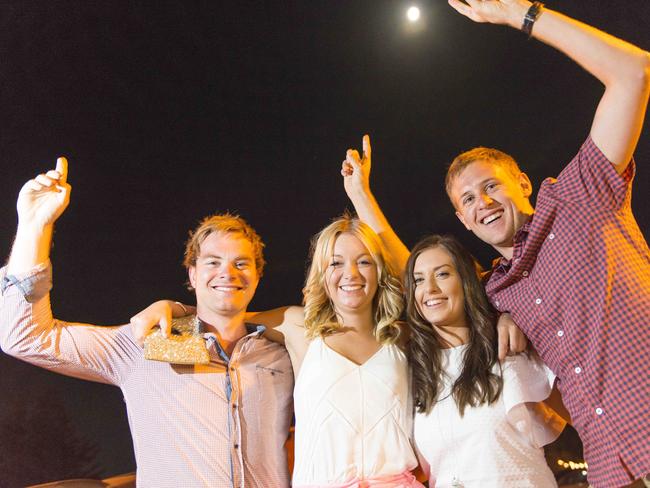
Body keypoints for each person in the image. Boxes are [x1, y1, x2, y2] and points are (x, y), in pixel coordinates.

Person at [341, 2, 650, 487]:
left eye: (491, 186)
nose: (482, 202)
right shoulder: (501, 290)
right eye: (467, 199)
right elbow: (424, 277)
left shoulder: (579, 196)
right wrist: (363, 200)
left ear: (522, 183)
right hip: (615, 467)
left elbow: (633, 71)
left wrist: (523, 16)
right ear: (462, 219)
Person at [0, 158, 293, 487]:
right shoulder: (145, 343)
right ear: (192, 275)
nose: (228, 272)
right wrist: (33, 228)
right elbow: (24, 337)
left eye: (242, 263)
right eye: (213, 262)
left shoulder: (282, 356)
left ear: (258, 275)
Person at [134, 215, 426, 487]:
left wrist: (361, 195)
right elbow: (223, 310)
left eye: (364, 262)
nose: (350, 273)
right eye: (336, 263)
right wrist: (174, 308)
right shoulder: (298, 327)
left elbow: (422, 282)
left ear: (379, 270)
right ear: (322, 273)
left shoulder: (403, 338)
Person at [406, 234, 564, 487]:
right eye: (418, 280)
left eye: (443, 274)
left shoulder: (509, 347)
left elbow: (584, 416)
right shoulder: (414, 371)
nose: (430, 289)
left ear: (467, 281)